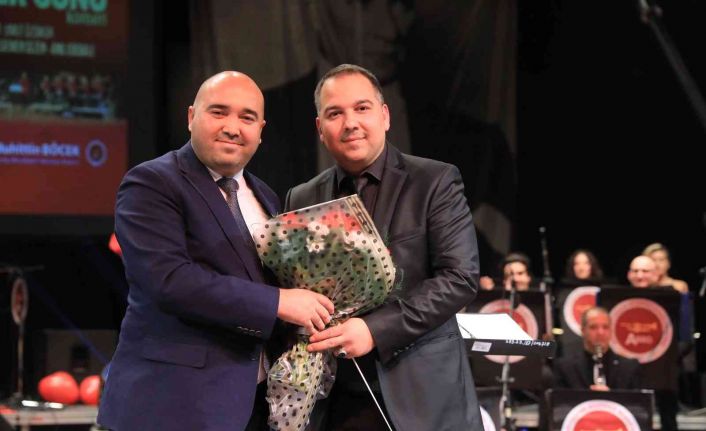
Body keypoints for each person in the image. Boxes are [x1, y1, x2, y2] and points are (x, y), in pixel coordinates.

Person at [97, 71, 335, 431]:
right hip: (172, 407)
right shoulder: (151, 183)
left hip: (254, 407)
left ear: (261, 130)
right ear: (191, 117)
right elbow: (170, 281)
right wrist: (279, 302)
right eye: (219, 112)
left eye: (247, 117)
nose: (232, 127)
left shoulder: (266, 196)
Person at [285, 64, 482, 430]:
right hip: (334, 399)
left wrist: (375, 330)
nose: (350, 123)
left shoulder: (435, 181)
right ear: (320, 128)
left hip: (423, 396)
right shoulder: (301, 198)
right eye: (335, 113)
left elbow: (460, 278)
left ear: (385, 116)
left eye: (362, 108)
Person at [554, 307, 641, 391]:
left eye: (605, 327)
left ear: (611, 331)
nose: (600, 332)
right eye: (593, 327)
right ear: (583, 330)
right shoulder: (565, 368)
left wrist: (610, 396)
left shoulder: (628, 367)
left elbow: (636, 400)